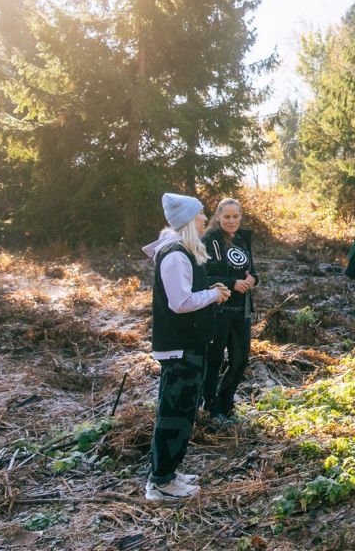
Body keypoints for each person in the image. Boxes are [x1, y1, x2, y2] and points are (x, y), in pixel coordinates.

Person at [142, 193, 229, 500]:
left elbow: (187, 292)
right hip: (179, 349)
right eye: (201, 214)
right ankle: (162, 482)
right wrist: (212, 296)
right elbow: (179, 303)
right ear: (189, 221)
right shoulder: (176, 254)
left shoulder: (182, 252)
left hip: (186, 347)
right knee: (174, 414)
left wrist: (208, 290)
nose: (206, 219)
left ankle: (168, 472)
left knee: (181, 411)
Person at [201, 198, 258, 421]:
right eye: (227, 216)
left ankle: (226, 402)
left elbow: (251, 272)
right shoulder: (208, 240)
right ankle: (210, 407)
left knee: (240, 359)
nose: (232, 220)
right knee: (214, 361)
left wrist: (253, 280)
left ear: (241, 216)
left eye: (235, 216)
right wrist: (231, 283)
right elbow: (202, 277)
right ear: (218, 217)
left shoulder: (243, 239)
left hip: (241, 310)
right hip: (219, 310)